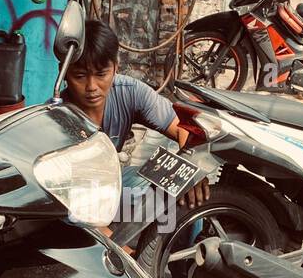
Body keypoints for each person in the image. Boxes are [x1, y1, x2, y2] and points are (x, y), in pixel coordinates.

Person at [63, 20, 209, 213]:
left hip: (113, 182)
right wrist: (106, 234)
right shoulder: (57, 117)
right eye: (80, 76)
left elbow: (183, 126)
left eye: (101, 74)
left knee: (189, 188)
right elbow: (64, 195)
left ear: (115, 67)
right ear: (64, 73)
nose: (92, 87)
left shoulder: (129, 92)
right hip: (75, 196)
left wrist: (191, 169)